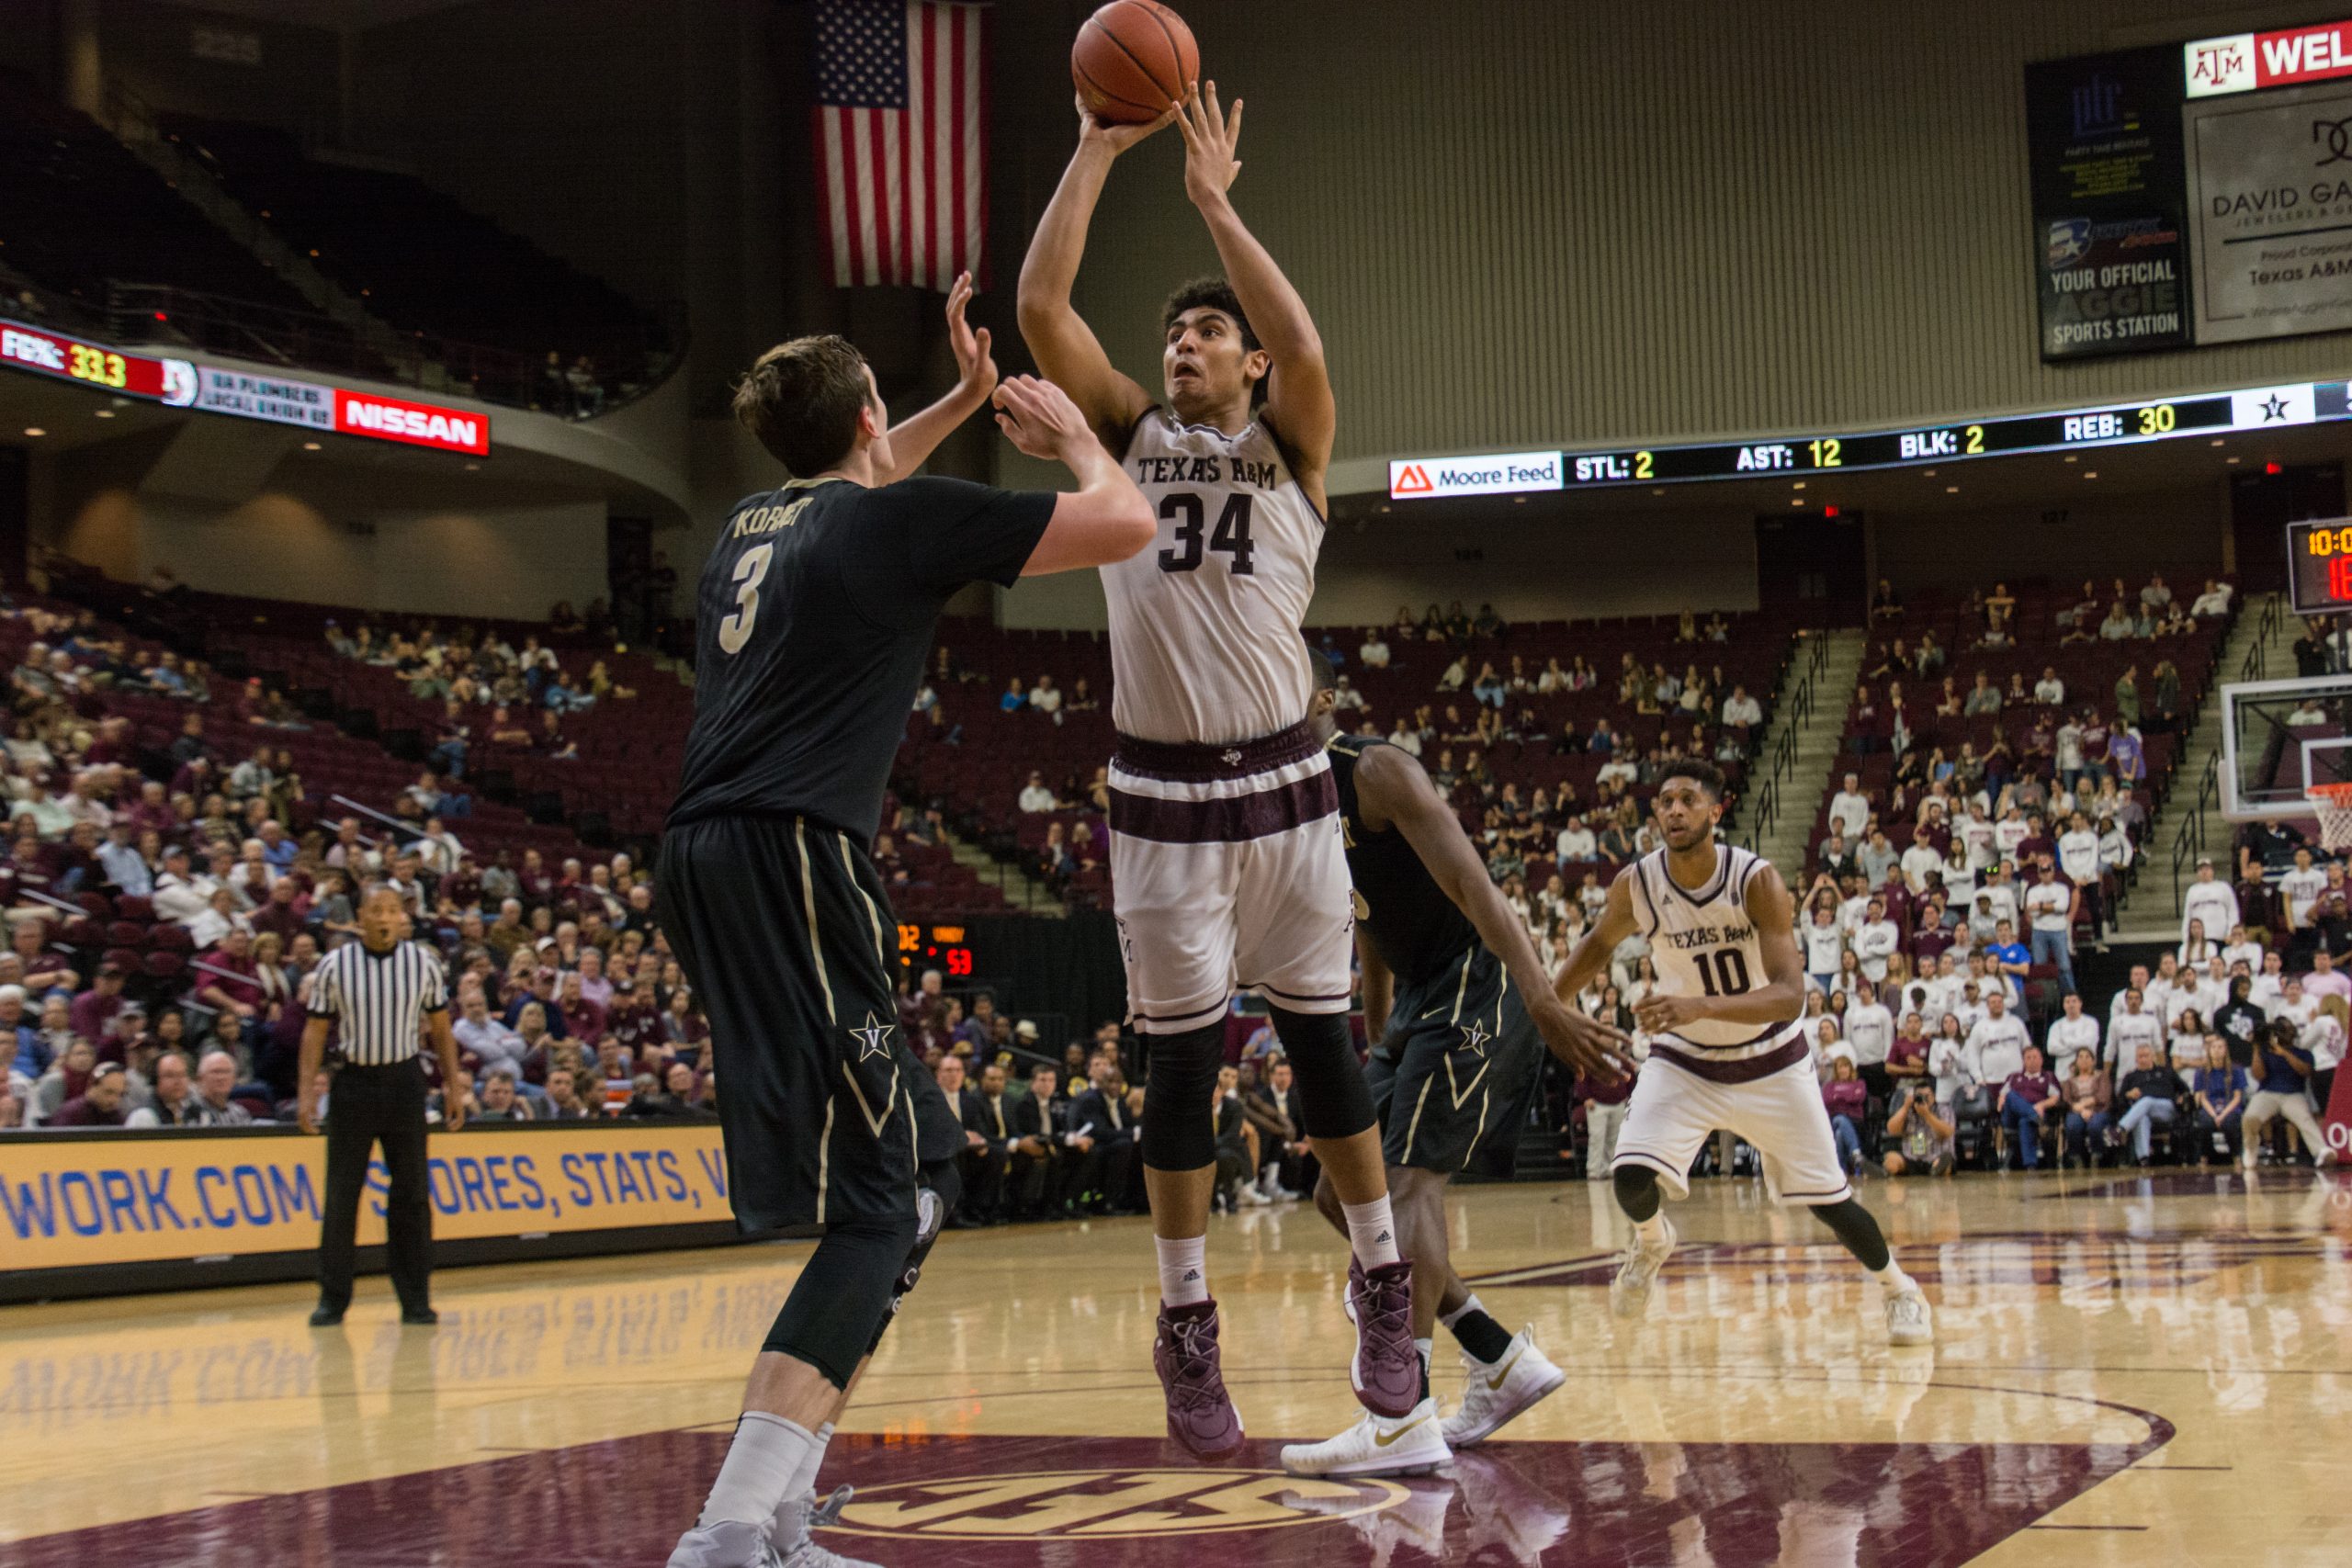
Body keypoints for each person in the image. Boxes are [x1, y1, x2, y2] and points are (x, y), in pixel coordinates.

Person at [656, 281, 1157, 1568]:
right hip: (794, 853)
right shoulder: (899, 520)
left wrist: (955, 399)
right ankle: (724, 1532)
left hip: (710, 853)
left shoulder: (744, 527)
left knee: (923, 1167)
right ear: (868, 415)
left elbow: (863, 488)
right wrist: (1069, 436)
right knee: (883, 1202)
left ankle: (773, 1512)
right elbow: (1125, 521)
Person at [1019, 82, 1417, 1460]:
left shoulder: (1292, 447)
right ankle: (1187, 1322)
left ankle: (1381, 1280)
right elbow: (1041, 310)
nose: (1179, 346)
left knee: (1323, 1052)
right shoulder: (1127, 437)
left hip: (1292, 786)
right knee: (1179, 1076)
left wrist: (1212, 203)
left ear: (1244, 364)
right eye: (1172, 333)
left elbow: (1304, 336)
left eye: (1202, 333)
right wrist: (1092, 148)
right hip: (1163, 799)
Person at [1280, 660, 1628, 1478]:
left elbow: (1474, 884)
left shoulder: (1376, 769)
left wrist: (1541, 996)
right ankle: (1499, 1357)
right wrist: (1377, 1031)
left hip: (1478, 984)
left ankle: (1403, 1416)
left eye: (1280, 672)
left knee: (1404, 1189)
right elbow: (1365, 920)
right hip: (1415, 1007)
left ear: (1322, 698)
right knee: (1341, 1190)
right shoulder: (1294, 804)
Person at [1553, 761, 1932, 1346]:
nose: (1673, 810)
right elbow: (1599, 943)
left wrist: (1696, 1006)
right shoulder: (1639, 882)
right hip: (1685, 1059)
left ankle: (1899, 1288)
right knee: (1629, 1176)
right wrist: (1549, 1005)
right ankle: (1653, 1242)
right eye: (1665, 802)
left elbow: (1788, 996)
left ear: (1715, 811)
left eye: (1687, 800)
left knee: (1832, 1204)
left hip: (1770, 1061)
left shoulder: (1755, 880)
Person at [300, 889, 463, 1326]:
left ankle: (415, 1298)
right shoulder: (335, 965)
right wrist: (306, 1095)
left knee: (411, 1194)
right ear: (361, 917)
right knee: (341, 1196)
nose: (386, 918)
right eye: (378, 910)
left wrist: (453, 1088)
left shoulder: (423, 963)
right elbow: (315, 1032)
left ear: (403, 917)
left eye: (394, 910)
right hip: (354, 1084)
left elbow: (442, 1030)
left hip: (405, 1083)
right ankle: (332, 1299)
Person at [2243, 1020, 2335, 1169]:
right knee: (2250, 1117)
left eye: (2288, 1028)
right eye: (2282, 1029)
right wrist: (2256, 1048)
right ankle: (2250, 1148)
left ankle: (2321, 1152)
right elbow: (2258, 1075)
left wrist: (2284, 1053)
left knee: (2305, 1119)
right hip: (2268, 1093)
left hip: (2293, 1095)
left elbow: (2305, 1071)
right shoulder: (2265, 1052)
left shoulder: (2304, 1053)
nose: (2287, 1032)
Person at [2190, 1037, 2248, 1165]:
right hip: (2210, 1106)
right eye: (2214, 1047)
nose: (2217, 1050)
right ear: (2209, 1050)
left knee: (2230, 1123)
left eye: (2220, 1047)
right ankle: (2204, 1156)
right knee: (2205, 1123)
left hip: (2230, 1106)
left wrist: (2222, 1115)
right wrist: (2214, 1115)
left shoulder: (2236, 1070)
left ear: (2226, 1050)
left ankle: (2236, 1156)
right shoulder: (2201, 1072)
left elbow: (2237, 1097)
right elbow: (2203, 1098)